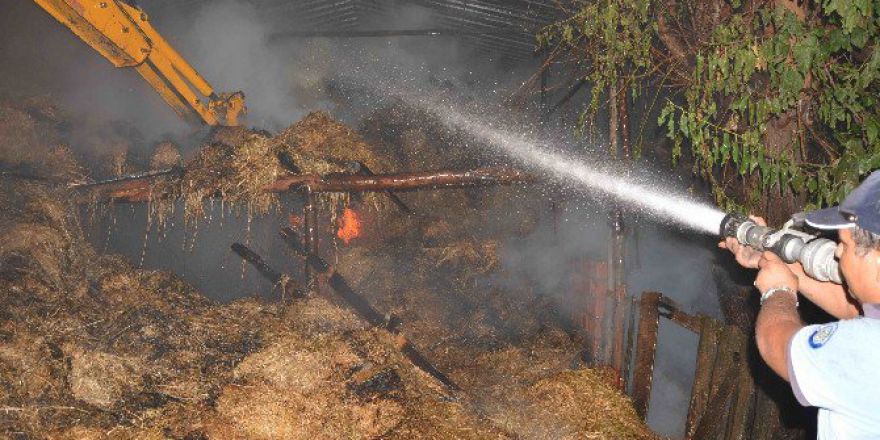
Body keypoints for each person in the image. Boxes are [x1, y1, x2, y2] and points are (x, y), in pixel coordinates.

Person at [721, 171, 880, 439]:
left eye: (844, 244)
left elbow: (777, 345)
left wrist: (778, 291)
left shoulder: (868, 350)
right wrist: (778, 260)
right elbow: (854, 311)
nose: (838, 253)